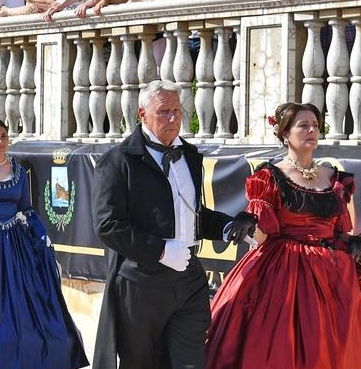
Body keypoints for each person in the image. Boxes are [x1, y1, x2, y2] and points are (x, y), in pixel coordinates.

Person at [206, 102, 361, 369]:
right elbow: (262, 237)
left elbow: (340, 231)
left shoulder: (334, 178)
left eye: (315, 126)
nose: (311, 131)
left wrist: (353, 241)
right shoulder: (270, 177)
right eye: (303, 125)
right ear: (285, 134)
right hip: (287, 272)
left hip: (334, 272)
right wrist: (249, 221)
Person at [91, 80, 253, 369]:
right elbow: (108, 225)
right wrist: (162, 250)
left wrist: (227, 226)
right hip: (142, 282)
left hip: (189, 279)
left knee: (190, 362)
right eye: (164, 111)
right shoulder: (117, 160)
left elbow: (190, 213)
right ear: (142, 114)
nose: (173, 119)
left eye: (177, 111)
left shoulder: (189, 155)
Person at [0, 118, 88, 369]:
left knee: (28, 312)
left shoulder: (17, 170)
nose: (1, 141)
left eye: (4, 136)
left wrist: (41, 235)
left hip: (16, 247)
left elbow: (25, 208)